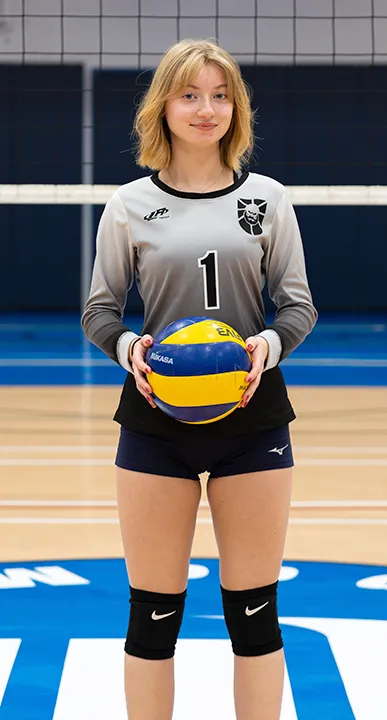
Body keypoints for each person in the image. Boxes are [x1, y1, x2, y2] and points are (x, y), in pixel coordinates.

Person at [82, 38, 317, 720]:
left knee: (254, 615)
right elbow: (100, 310)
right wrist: (130, 349)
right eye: (189, 94)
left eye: (220, 95)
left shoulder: (266, 199)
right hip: (156, 418)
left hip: (253, 419)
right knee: (152, 617)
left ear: (236, 109)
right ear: (163, 107)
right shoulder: (128, 204)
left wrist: (263, 349)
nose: (205, 108)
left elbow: (296, 306)